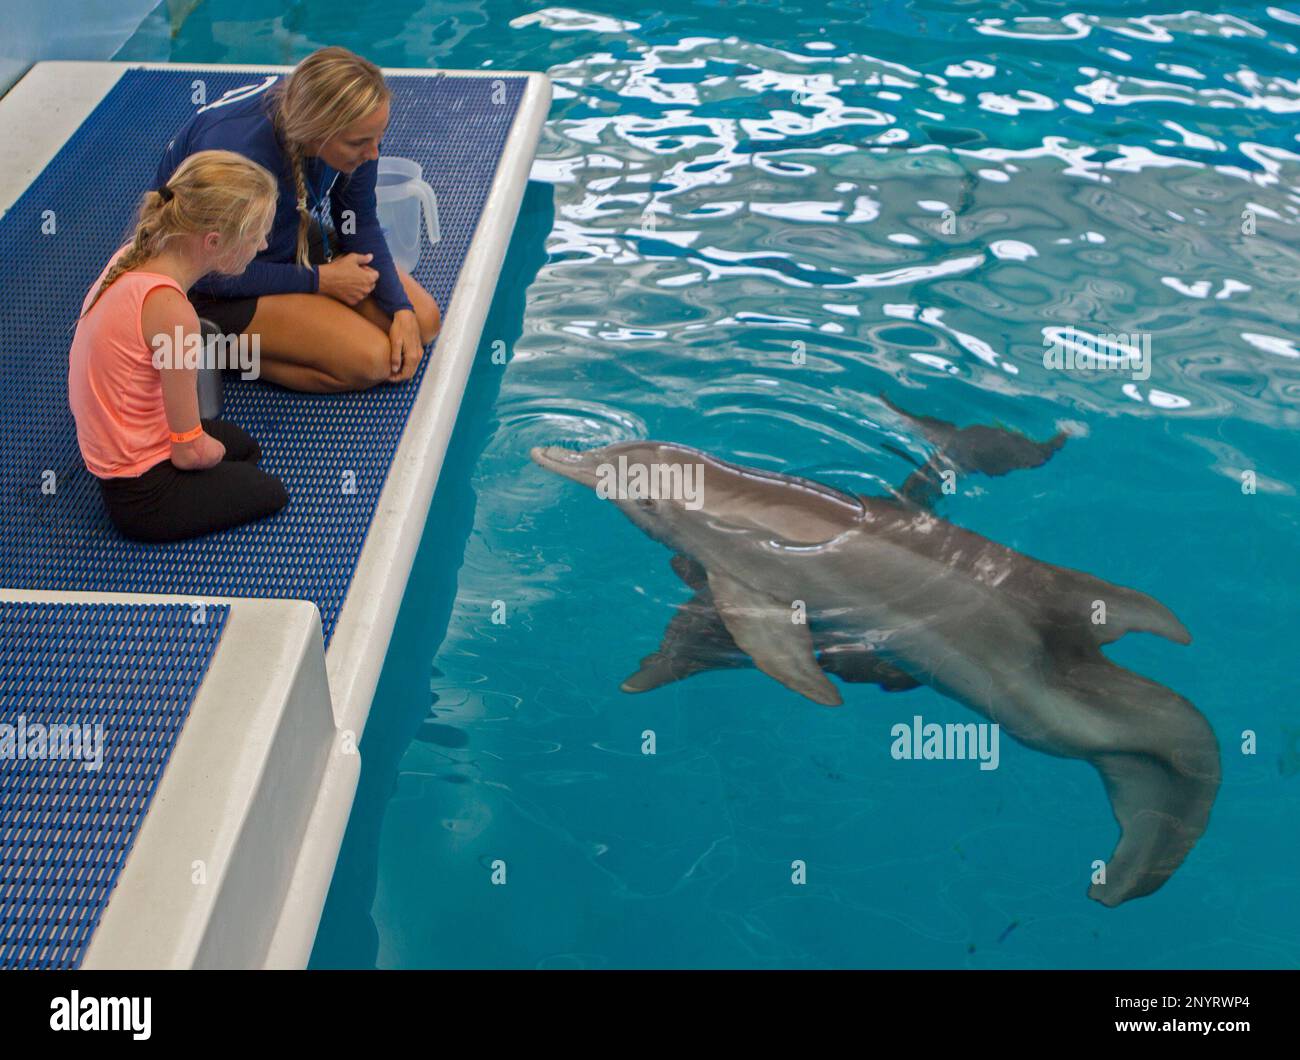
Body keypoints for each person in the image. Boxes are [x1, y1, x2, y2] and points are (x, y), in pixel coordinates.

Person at [155, 46, 441, 393]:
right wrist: (319, 281)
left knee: (423, 321)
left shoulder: (352, 128)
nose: (373, 153)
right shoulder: (234, 154)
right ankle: (215, 348)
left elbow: (359, 220)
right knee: (376, 360)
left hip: (282, 236)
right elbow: (211, 275)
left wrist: (400, 308)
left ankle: (301, 319)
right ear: (317, 133)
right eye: (359, 143)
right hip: (208, 287)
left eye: (379, 136)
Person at [68, 150, 289, 543]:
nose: (263, 244)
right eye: (257, 235)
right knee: (269, 490)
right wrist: (209, 453)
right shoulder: (175, 316)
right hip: (141, 494)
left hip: (120, 454)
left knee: (243, 448)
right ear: (215, 241)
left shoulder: (133, 257)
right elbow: (189, 453)